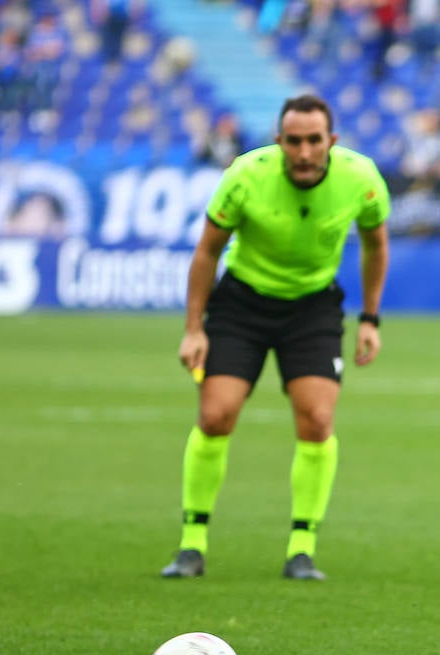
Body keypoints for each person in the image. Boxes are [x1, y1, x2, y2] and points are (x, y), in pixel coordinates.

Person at [160, 94, 391, 581]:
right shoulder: (245, 176)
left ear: (332, 141)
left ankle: (302, 550)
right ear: (278, 141)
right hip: (241, 302)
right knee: (215, 415)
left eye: (313, 141)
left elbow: (375, 244)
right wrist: (193, 328)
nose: (304, 152)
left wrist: (370, 317)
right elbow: (206, 254)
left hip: (312, 307)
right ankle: (191, 545)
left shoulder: (362, 179)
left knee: (317, 419)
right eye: (293, 141)